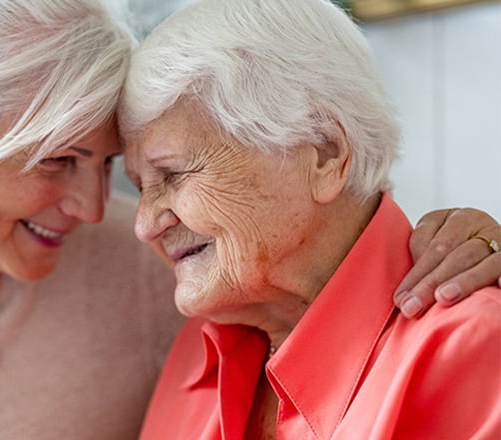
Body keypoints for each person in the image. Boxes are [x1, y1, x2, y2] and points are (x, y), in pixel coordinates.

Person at [0, 0, 497, 438]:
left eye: (107, 167)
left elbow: (341, 272)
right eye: (57, 159)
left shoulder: (163, 285)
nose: (103, 213)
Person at [119, 0, 501, 438]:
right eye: (139, 184)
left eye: (172, 173)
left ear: (323, 152)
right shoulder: (196, 351)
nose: (144, 223)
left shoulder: (473, 348)